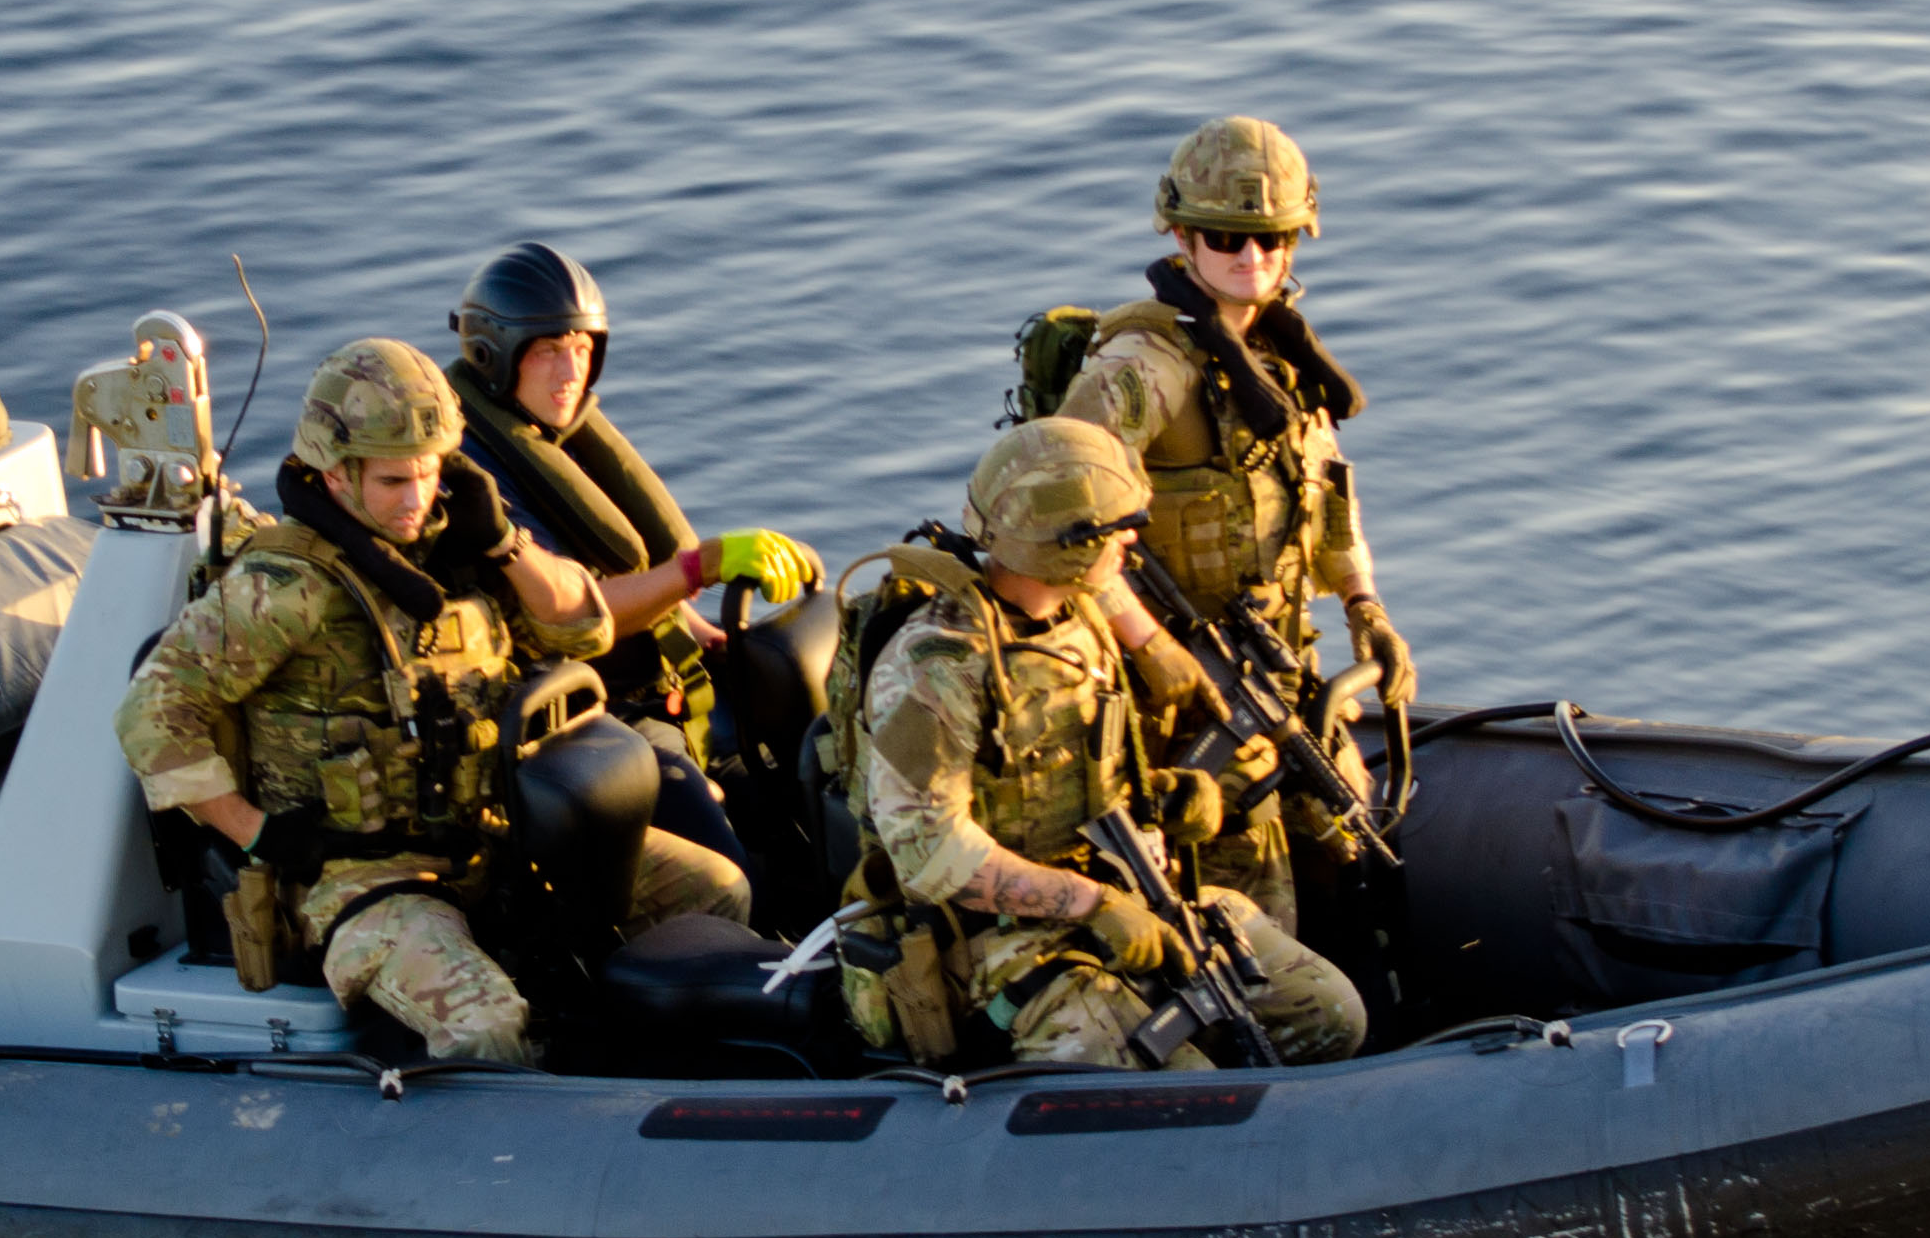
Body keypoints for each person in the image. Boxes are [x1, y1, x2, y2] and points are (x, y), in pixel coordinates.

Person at [118, 337, 762, 1068]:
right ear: (334, 475)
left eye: (429, 473)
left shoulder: (460, 548)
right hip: (361, 875)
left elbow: (580, 629)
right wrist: (255, 832)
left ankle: (652, 1074)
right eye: (394, 481)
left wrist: (507, 550)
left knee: (714, 892)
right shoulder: (287, 588)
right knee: (486, 1025)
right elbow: (154, 711)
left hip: (490, 838)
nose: (417, 499)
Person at [843, 417, 1366, 1071]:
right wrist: (1090, 904)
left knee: (1326, 1014)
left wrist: (1163, 798)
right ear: (1065, 544)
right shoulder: (934, 668)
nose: (1131, 541)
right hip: (991, 944)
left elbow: (1077, 762)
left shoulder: (1078, 612)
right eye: (1116, 528)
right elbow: (928, 851)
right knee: (1190, 1092)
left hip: (1119, 887)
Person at [1049, 115, 1414, 936]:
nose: (1252, 259)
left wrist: (1365, 608)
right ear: (1181, 236)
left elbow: (1328, 501)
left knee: (1359, 849)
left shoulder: (1280, 366)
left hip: (1276, 677)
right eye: (1225, 239)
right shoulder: (1139, 372)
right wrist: (1152, 645)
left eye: (1273, 238)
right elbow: (1054, 524)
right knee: (1252, 923)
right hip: (1170, 706)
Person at [442, 240, 822, 905]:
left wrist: (694, 626)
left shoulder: (551, 435)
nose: (570, 371)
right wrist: (699, 567)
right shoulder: (474, 481)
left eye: (582, 349)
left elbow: (621, 557)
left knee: (808, 777)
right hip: (579, 719)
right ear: (494, 356)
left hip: (652, 686)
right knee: (743, 881)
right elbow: (577, 613)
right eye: (549, 350)